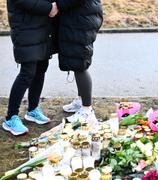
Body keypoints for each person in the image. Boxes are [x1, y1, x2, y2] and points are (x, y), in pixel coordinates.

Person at [2, 0, 59, 135]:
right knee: (27, 73)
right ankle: (11, 117)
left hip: (42, 28)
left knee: (41, 68)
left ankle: (33, 110)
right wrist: (49, 7)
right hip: (26, 29)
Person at [56, 0, 103, 123]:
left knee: (80, 65)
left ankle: (87, 110)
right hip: (80, 16)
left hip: (81, 19)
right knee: (77, 61)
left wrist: (58, 5)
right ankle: (81, 100)